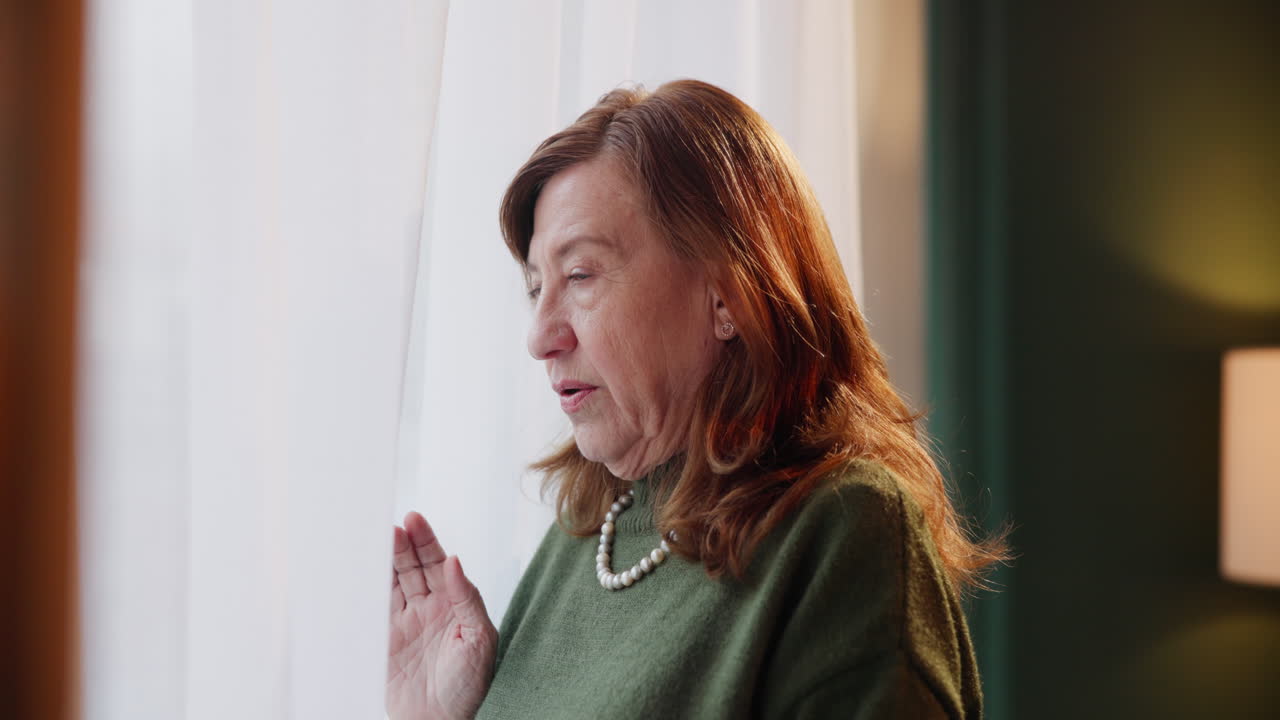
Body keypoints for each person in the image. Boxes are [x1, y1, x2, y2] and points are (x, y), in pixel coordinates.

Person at [386, 79, 1006, 720]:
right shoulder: (584, 538)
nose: (540, 336)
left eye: (580, 274)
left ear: (727, 297)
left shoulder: (844, 529)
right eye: (536, 287)